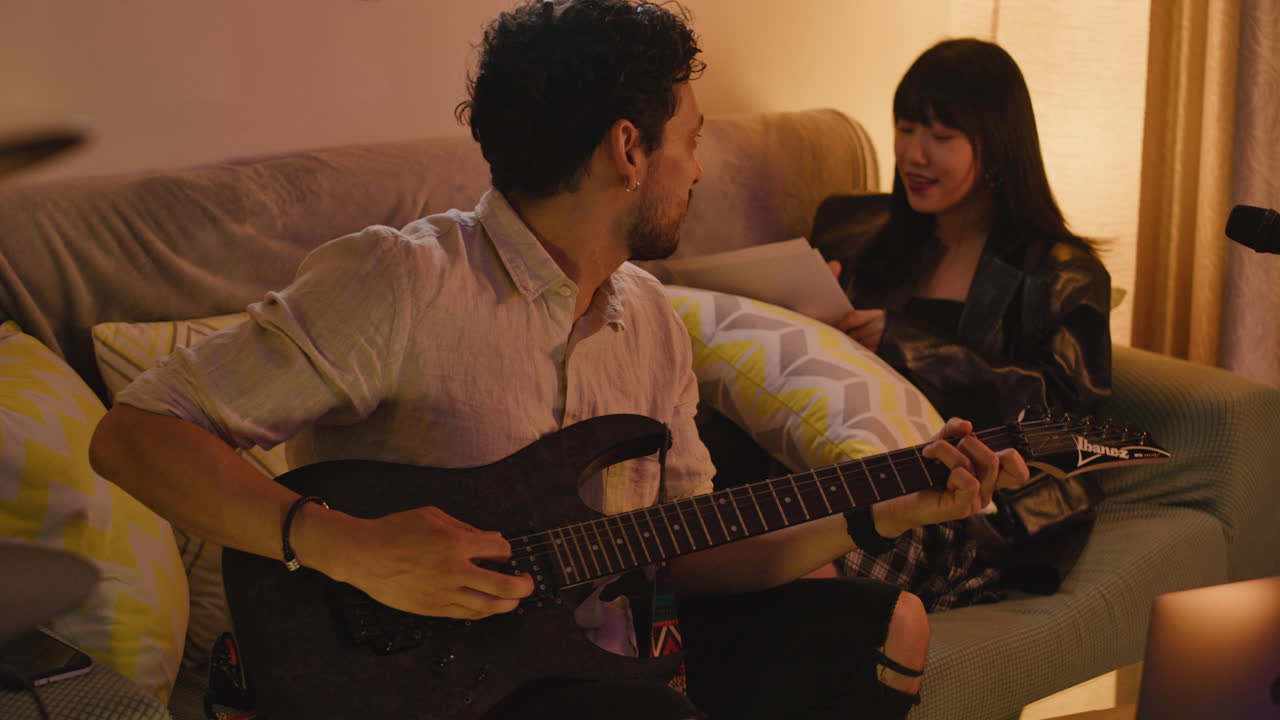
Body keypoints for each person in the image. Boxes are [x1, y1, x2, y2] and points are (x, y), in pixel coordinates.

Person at [88, 5, 1028, 719]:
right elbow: (133, 435)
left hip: (590, 654)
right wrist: (341, 542)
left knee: (867, 626)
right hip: (422, 679)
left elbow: (685, 550)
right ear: (629, 149)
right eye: (690, 141)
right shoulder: (401, 280)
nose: (698, 170)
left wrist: (875, 507)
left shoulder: (651, 320)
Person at [811, 38, 1112, 610]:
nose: (913, 155)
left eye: (941, 137)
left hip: (967, 507)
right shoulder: (860, 234)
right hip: (847, 465)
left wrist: (907, 345)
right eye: (905, 129)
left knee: (805, 564)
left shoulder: (1062, 273)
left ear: (996, 146)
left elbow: (1069, 420)